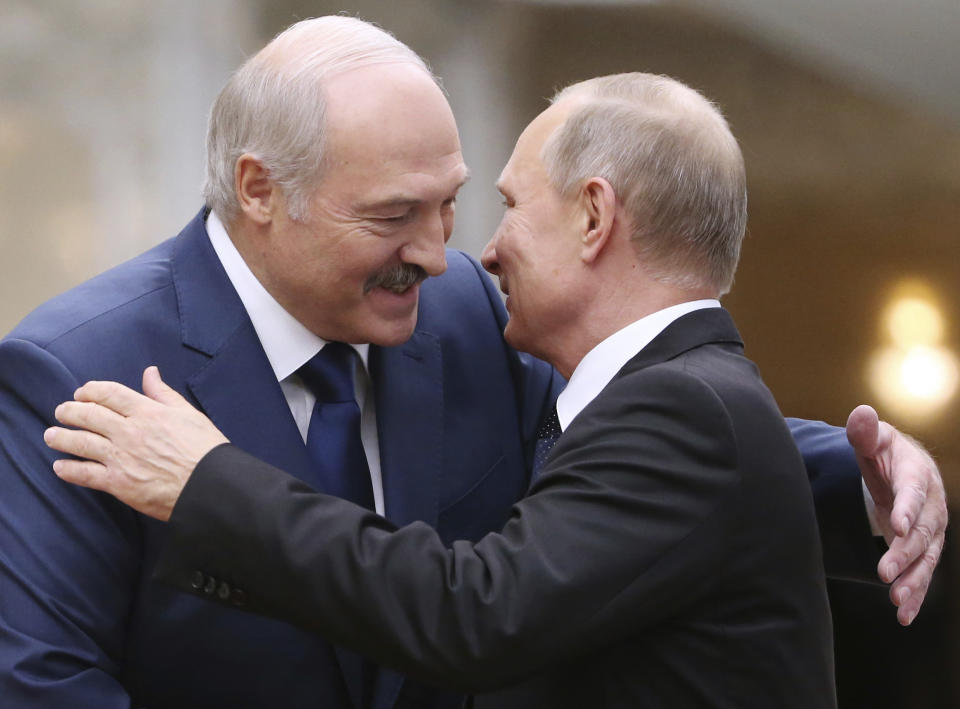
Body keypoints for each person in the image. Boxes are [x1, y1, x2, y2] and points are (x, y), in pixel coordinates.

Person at [1, 15, 943, 709]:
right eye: (392, 215)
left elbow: (616, 430)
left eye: (449, 203)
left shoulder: (453, 310)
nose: (443, 248)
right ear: (259, 189)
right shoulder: (78, 371)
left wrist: (853, 477)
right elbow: (43, 682)